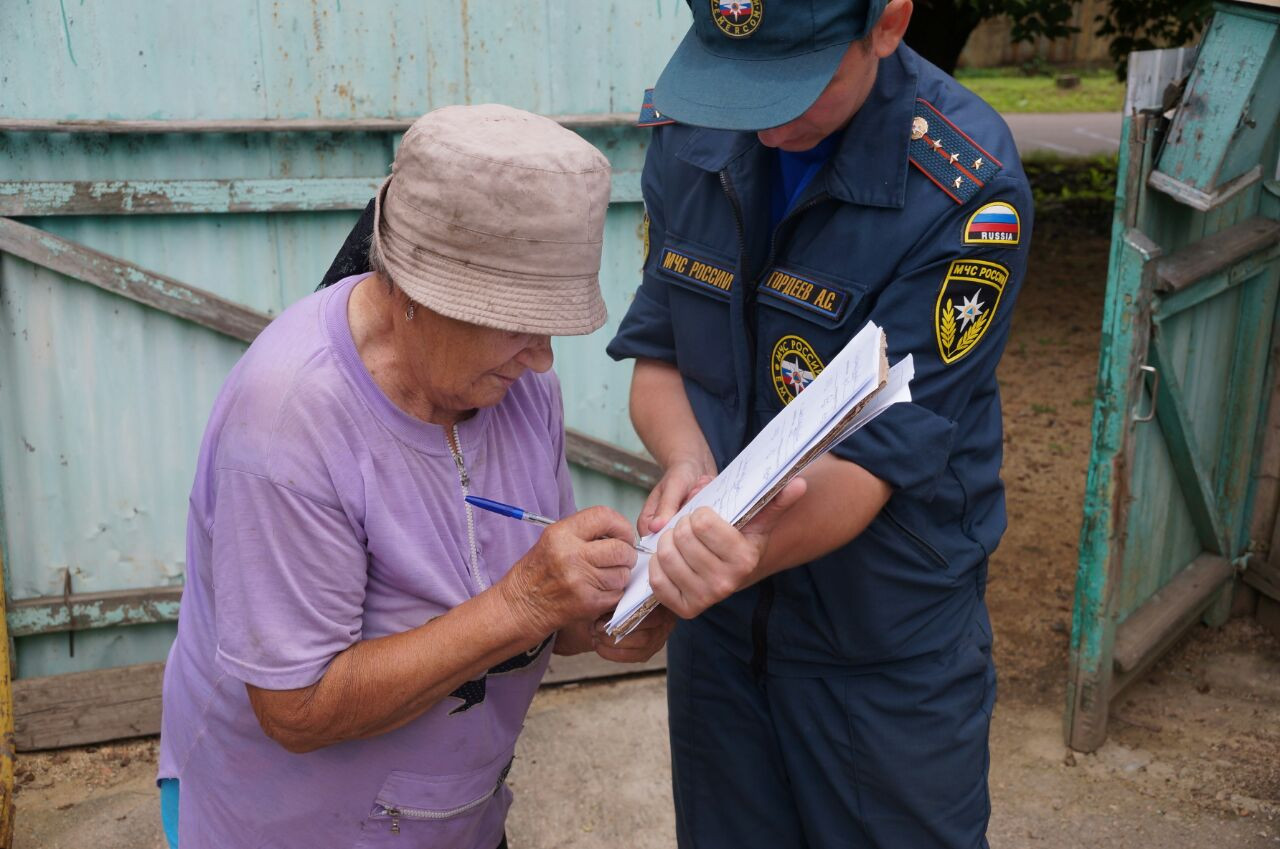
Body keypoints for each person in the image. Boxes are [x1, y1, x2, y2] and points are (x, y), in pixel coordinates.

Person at [157, 104, 679, 849]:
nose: (542, 359)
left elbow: (537, 622)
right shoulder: (290, 420)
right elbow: (297, 708)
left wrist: (607, 613)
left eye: (550, 326)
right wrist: (527, 598)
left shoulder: (517, 383)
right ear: (411, 293)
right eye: (517, 321)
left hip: (453, 820)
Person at [605, 1, 1034, 847]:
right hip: (720, 645)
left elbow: (872, 465)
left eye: (794, 83)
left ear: (888, 23)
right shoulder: (693, 132)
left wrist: (729, 547)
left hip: (880, 648)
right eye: (738, 80)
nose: (761, 122)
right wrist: (689, 461)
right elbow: (659, 351)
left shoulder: (965, 189)